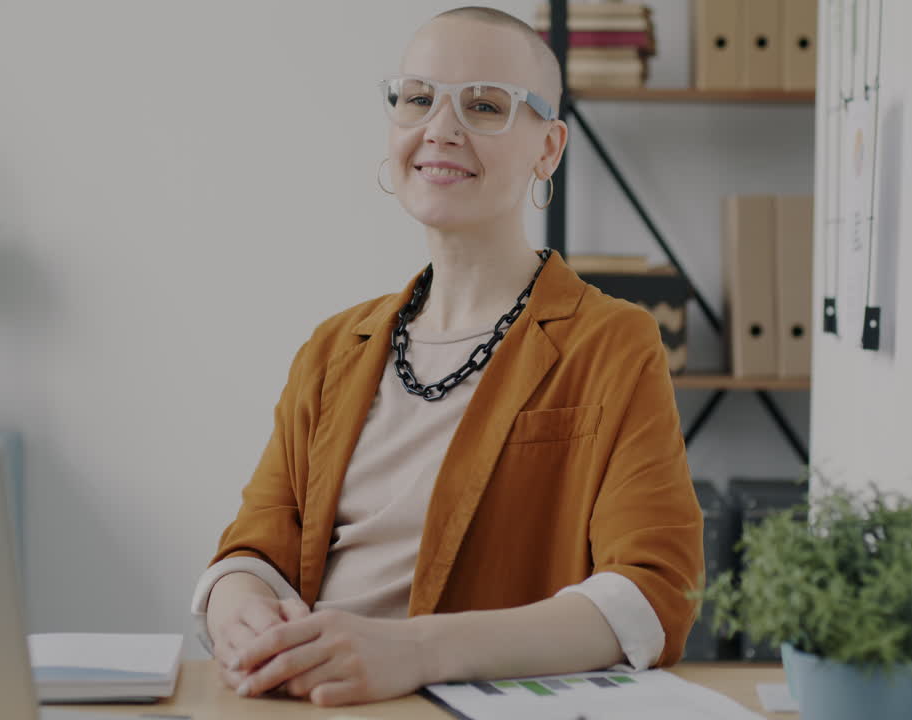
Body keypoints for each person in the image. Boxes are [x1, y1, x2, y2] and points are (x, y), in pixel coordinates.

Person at [188, 5, 704, 708]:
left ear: (548, 149)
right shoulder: (333, 346)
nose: (440, 129)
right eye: (418, 98)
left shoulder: (611, 342)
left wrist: (414, 649)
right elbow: (256, 547)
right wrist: (237, 608)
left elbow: (654, 594)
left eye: (485, 105)